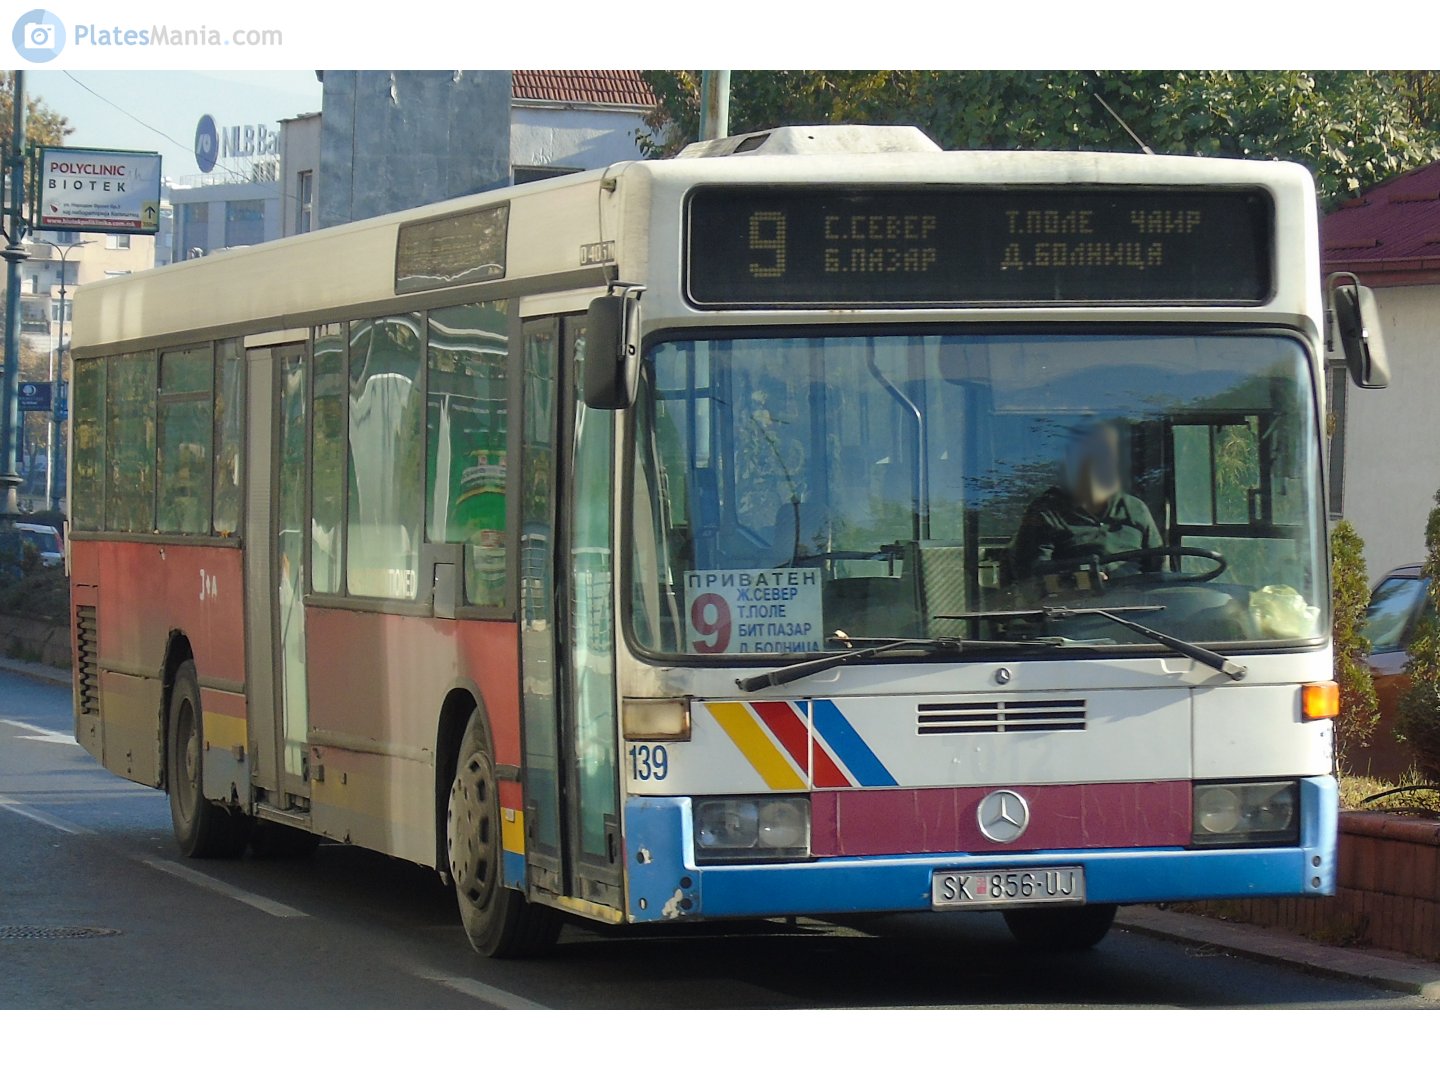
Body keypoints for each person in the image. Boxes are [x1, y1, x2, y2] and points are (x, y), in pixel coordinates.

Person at [1011, 422, 1161, 587]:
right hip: (1073, 607)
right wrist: (1079, 578)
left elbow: (1158, 569)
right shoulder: (1045, 512)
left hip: (1137, 607)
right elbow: (1031, 576)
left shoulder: (1135, 508)